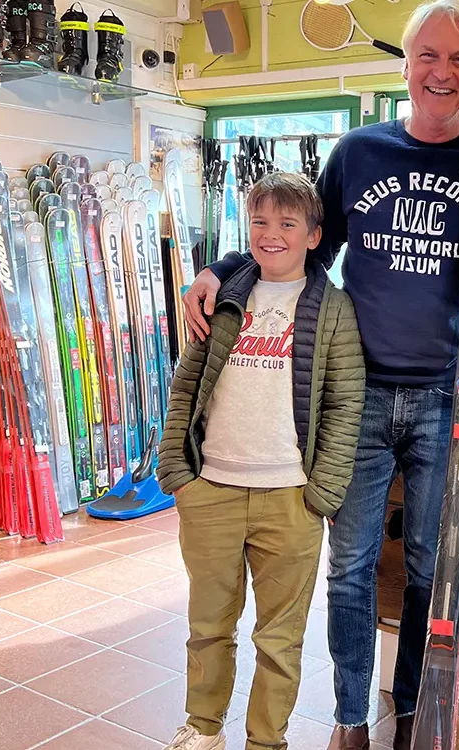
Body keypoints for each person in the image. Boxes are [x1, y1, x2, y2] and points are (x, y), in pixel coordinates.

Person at [180, 2, 459, 747]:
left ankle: (409, 708)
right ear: (406, 65)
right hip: (358, 397)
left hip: (450, 398)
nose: (442, 72)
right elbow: (300, 244)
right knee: (349, 568)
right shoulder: (358, 152)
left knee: (429, 572)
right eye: (428, 56)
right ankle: (350, 718)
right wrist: (222, 268)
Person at [156, 171, 366, 750]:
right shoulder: (222, 297)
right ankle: (203, 728)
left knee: (279, 638)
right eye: (260, 222)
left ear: (314, 235)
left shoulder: (333, 309)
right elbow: (186, 384)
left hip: (291, 500)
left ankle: (266, 740)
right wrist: (179, 473)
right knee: (208, 625)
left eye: (287, 223)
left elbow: (346, 402)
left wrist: (321, 493)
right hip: (211, 490)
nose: (271, 234)